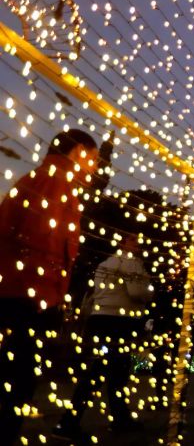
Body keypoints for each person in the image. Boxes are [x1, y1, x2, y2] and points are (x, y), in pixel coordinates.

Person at [0, 129, 99, 444]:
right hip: (26, 298)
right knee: (17, 380)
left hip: (17, 292)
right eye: (94, 159)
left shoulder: (41, 178)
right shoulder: (55, 183)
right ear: (79, 151)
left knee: (13, 377)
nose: (94, 168)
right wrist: (50, 302)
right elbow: (47, 246)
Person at [53, 232, 152, 440]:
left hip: (101, 319)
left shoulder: (106, 263)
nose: (138, 244)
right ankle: (68, 423)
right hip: (119, 319)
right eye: (133, 240)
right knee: (106, 371)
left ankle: (119, 417)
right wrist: (150, 292)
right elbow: (136, 292)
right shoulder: (131, 262)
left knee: (113, 370)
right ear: (123, 243)